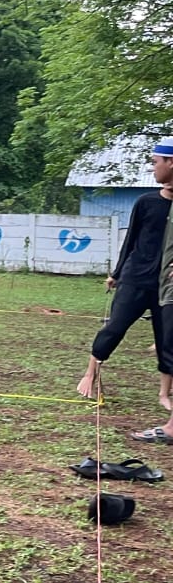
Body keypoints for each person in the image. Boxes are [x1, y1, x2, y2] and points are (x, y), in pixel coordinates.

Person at [80, 139, 173, 407]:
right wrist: (117, 273)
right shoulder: (146, 202)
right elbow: (130, 239)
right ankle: (89, 376)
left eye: (155, 162)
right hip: (135, 279)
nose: (152, 168)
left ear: (171, 163)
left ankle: (164, 394)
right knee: (115, 328)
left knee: (167, 339)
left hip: (166, 287)